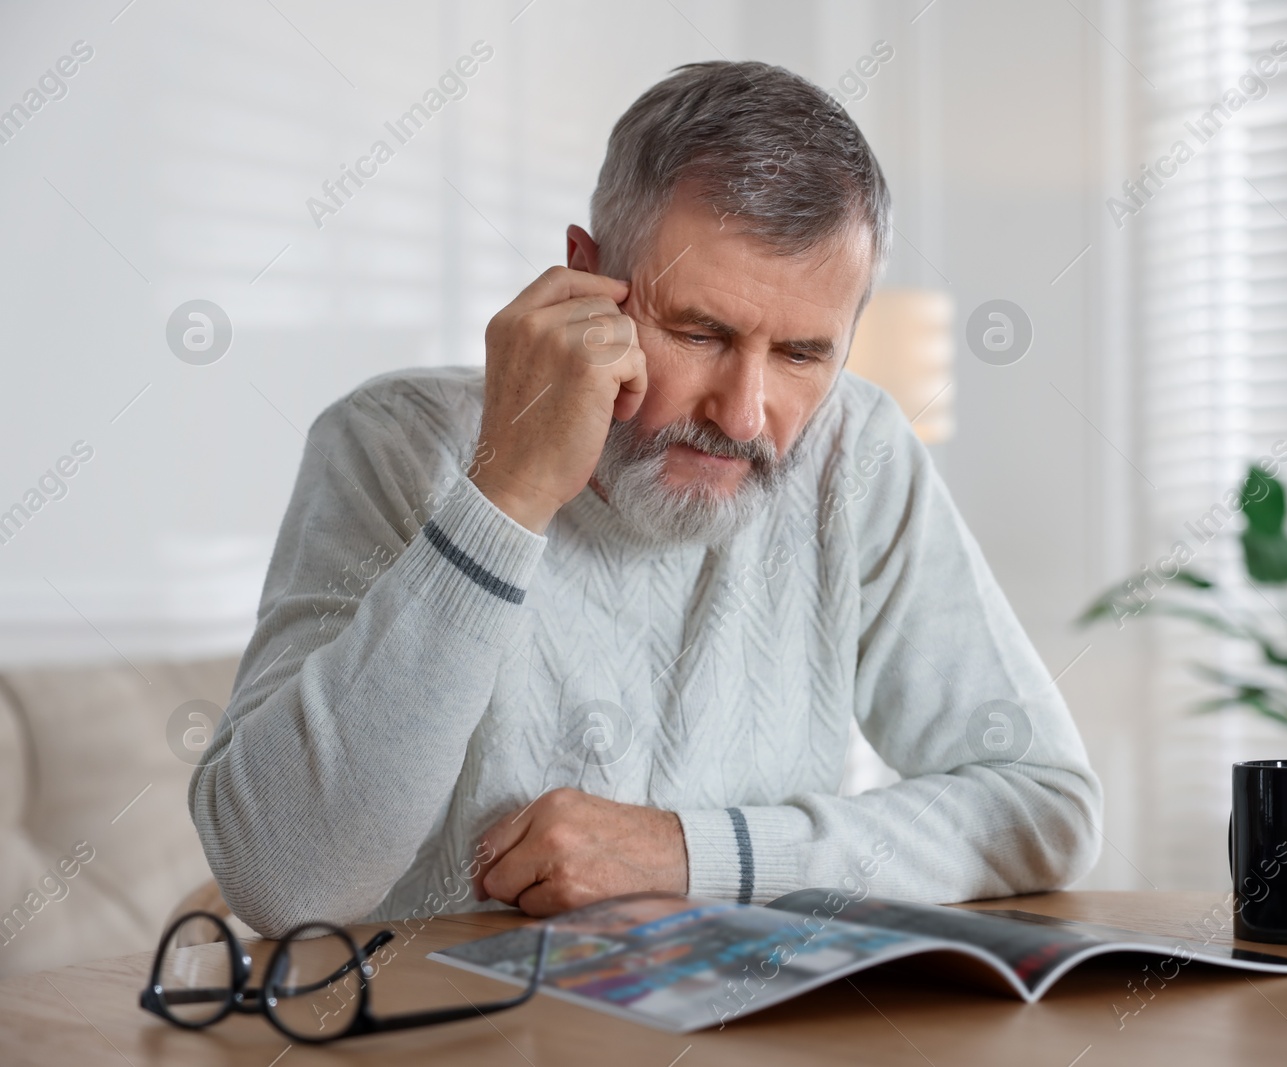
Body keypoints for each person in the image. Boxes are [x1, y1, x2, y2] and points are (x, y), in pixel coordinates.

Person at [190, 60, 1102, 937]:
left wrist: (690, 853)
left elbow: (1044, 804)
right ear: (585, 278)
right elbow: (284, 878)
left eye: (803, 354)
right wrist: (506, 490)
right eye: (700, 332)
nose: (743, 416)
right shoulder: (389, 443)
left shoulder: (853, 454)